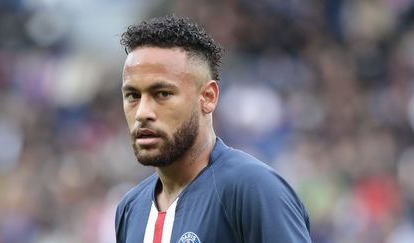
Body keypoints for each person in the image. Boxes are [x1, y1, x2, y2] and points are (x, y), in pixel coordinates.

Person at [115, 15, 311, 243]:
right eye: (133, 96)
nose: (142, 112)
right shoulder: (130, 209)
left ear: (208, 97)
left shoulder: (254, 189)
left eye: (162, 94)